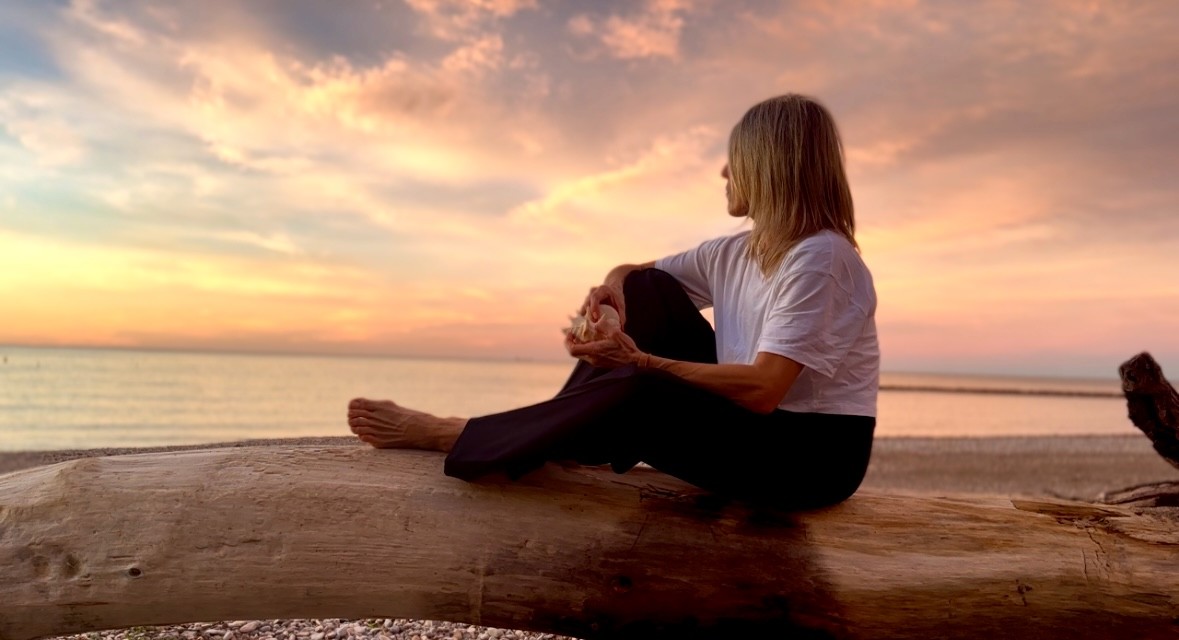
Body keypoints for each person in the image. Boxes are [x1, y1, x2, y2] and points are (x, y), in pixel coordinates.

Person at [347, 94, 879, 509]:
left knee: (641, 388)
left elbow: (765, 390)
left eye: (734, 160)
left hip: (808, 459)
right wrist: (610, 297)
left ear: (767, 165)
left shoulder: (821, 258)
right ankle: (568, 439)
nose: (723, 173)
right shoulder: (736, 252)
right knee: (649, 292)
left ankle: (455, 432)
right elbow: (636, 271)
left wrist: (642, 362)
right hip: (752, 429)